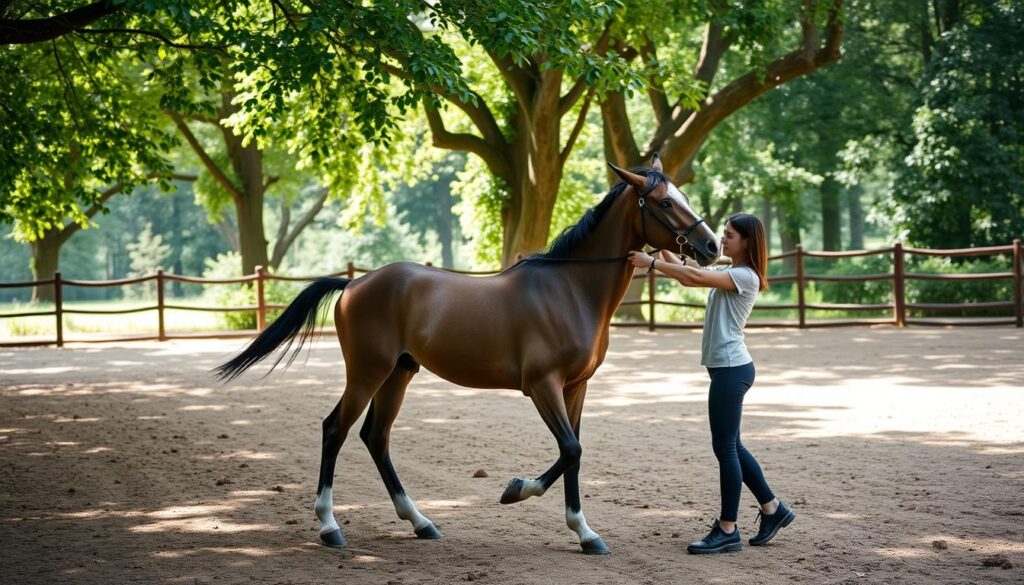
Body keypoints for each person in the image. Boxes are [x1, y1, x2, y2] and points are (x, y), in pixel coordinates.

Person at [628, 213, 795, 554]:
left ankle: (727, 529)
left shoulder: (744, 276)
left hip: (732, 371)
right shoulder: (729, 271)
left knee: (725, 449)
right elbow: (689, 279)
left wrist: (650, 263)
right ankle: (773, 509)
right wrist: (662, 249)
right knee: (734, 446)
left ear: (747, 241)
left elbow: (692, 275)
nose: (723, 239)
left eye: (730, 235)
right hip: (727, 369)